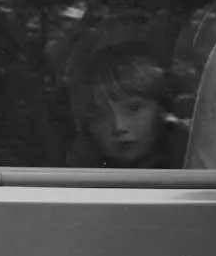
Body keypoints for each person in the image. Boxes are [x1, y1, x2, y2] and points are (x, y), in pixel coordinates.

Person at [63, 39, 183, 169]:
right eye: (100, 116)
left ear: (161, 108)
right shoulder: (77, 174)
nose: (119, 127)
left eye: (133, 108)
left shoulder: (190, 165)